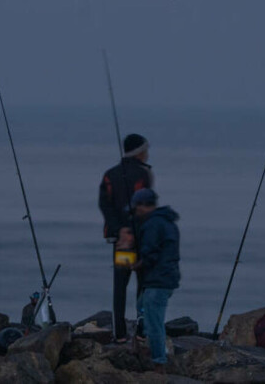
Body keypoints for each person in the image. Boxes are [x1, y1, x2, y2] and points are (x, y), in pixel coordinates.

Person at [98, 133, 154, 343]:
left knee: (120, 285)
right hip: (141, 240)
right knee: (143, 284)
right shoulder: (144, 175)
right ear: (139, 152)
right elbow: (146, 208)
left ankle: (120, 333)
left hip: (122, 242)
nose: (147, 154)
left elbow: (105, 205)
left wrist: (119, 229)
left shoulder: (110, 174)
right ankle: (141, 330)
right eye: (145, 150)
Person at [131, 188, 180, 372]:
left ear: (145, 206)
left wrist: (136, 264)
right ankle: (143, 340)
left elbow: (150, 253)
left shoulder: (152, 224)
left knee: (154, 322)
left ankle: (159, 361)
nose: (136, 212)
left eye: (137, 208)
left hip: (158, 280)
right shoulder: (167, 222)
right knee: (141, 305)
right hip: (167, 278)